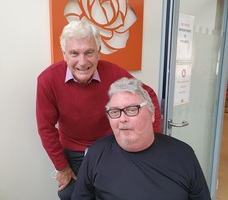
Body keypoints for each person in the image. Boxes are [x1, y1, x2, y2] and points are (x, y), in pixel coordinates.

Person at [36, 19, 161, 200]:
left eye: (89, 52)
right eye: (74, 53)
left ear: (99, 52)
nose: (82, 61)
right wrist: (62, 167)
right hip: (73, 152)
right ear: (64, 54)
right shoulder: (47, 80)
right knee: (69, 194)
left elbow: (148, 95)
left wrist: (152, 139)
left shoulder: (114, 73)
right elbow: (46, 128)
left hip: (111, 147)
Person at [71, 77, 211, 200]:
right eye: (114, 112)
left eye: (132, 110)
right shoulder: (96, 154)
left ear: (152, 114)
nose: (122, 119)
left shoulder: (183, 154)